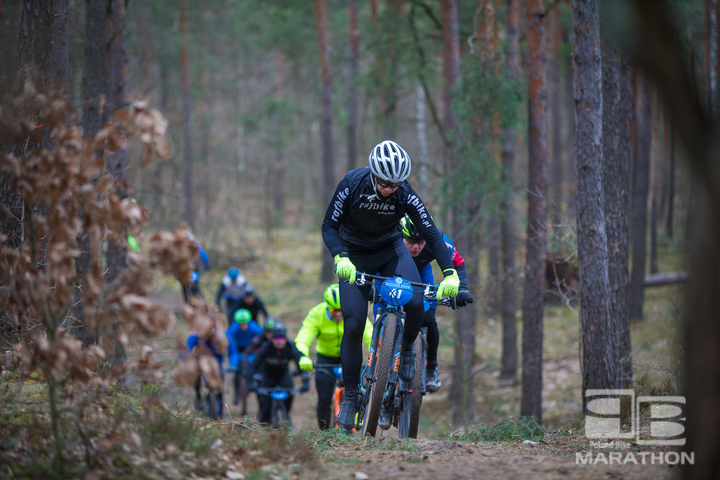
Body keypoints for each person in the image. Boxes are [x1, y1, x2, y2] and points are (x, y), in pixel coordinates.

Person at [321, 140, 460, 429]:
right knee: (355, 322)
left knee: (415, 303)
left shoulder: (404, 192)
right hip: (353, 254)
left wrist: (450, 273)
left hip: (390, 251)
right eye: (385, 182)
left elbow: (432, 234)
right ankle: (350, 399)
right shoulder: (352, 183)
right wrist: (340, 258)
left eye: (395, 184)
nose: (389, 188)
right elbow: (328, 227)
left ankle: (408, 349)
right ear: (373, 173)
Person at [399, 215, 471, 393]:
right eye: (410, 241)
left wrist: (461, 289)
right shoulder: (390, 235)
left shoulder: (438, 240)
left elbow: (459, 264)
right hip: (393, 272)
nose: (416, 246)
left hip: (422, 273)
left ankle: (431, 367)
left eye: (420, 241)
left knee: (428, 319)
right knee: (384, 316)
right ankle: (380, 364)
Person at [294, 284, 373, 430]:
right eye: (333, 310)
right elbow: (303, 339)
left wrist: (373, 358)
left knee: (356, 393)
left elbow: (370, 336)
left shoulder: (353, 311)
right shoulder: (316, 314)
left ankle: (355, 424)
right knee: (324, 399)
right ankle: (325, 433)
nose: (338, 314)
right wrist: (303, 356)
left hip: (350, 358)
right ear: (327, 306)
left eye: (341, 310)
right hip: (326, 359)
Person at [250, 323, 310, 425]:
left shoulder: (290, 346)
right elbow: (253, 365)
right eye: (276, 338)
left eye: (282, 337)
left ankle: (286, 415)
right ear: (272, 339)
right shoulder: (266, 347)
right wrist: (250, 383)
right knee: (265, 410)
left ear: (286, 338)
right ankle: (264, 428)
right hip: (268, 377)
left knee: (290, 392)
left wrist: (305, 381)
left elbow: (300, 361)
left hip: (284, 375)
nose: (279, 341)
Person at [181, 318, 237, 410]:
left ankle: (220, 400)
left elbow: (233, 351)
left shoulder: (223, 335)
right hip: (201, 361)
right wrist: (184, 363)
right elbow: (186, 349)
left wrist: (233, 365)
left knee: (220, 382)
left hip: (217, 363)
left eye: (212, 328)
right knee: (196, 376)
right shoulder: (196, 336)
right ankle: (198, 395)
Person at [226, 308, 264, 404]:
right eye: (241, 324)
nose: (243, 326)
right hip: (238, 348)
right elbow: (228, 337)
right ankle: (236, 393)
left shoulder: (253, 326)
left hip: (250, 348)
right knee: (237, 372)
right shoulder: (234, 327)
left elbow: (262, 334)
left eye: (245, 323)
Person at [182, 233, 211, 302]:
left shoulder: (196, 246)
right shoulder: (182, 247)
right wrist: (207, 265)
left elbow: (203, 256)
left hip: (191, 269)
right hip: (186, 270)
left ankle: (196, 303)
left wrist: (206, 265)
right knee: (189, 287)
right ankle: (192, 303)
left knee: (192, 287)